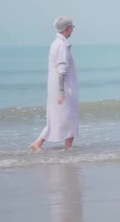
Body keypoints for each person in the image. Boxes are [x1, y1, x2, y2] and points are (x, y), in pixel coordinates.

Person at [30, 16, 79, 151]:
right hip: (63, 88)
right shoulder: (62, 46)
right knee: (70, 118)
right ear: (68, 28)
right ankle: (68, 150)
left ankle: (38, 143)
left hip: (55, 87)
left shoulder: (55, 43)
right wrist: (61, 92)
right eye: (72, 28)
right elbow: (61, 70)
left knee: (56, 118)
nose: (72, 31)